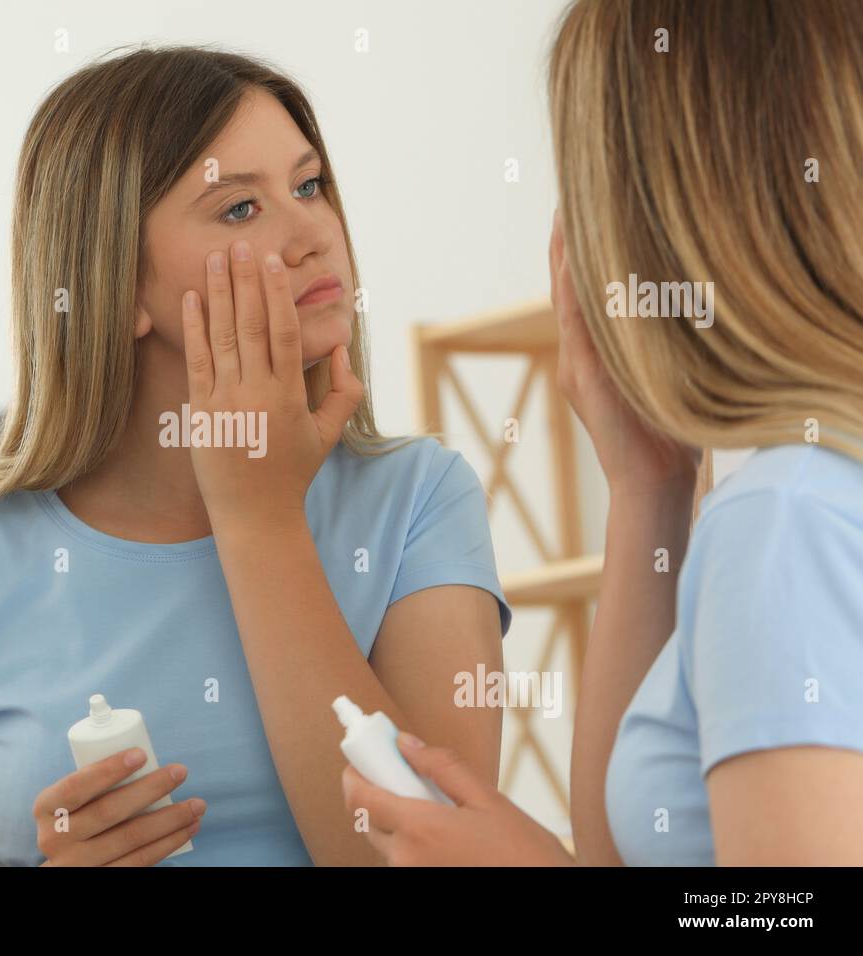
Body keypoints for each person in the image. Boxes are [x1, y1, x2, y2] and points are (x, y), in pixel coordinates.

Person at [0, 45, 512, 866]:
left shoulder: (418, 502)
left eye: (308, 186)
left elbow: (437, 860)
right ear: (114, 287)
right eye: (239, 209)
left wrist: (258, 518)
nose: (312, 233)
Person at [343, 0, 863, 866]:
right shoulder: (802, 496)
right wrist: (645, 488)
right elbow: (629, 849)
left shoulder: (782, 523)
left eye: (585, 181)